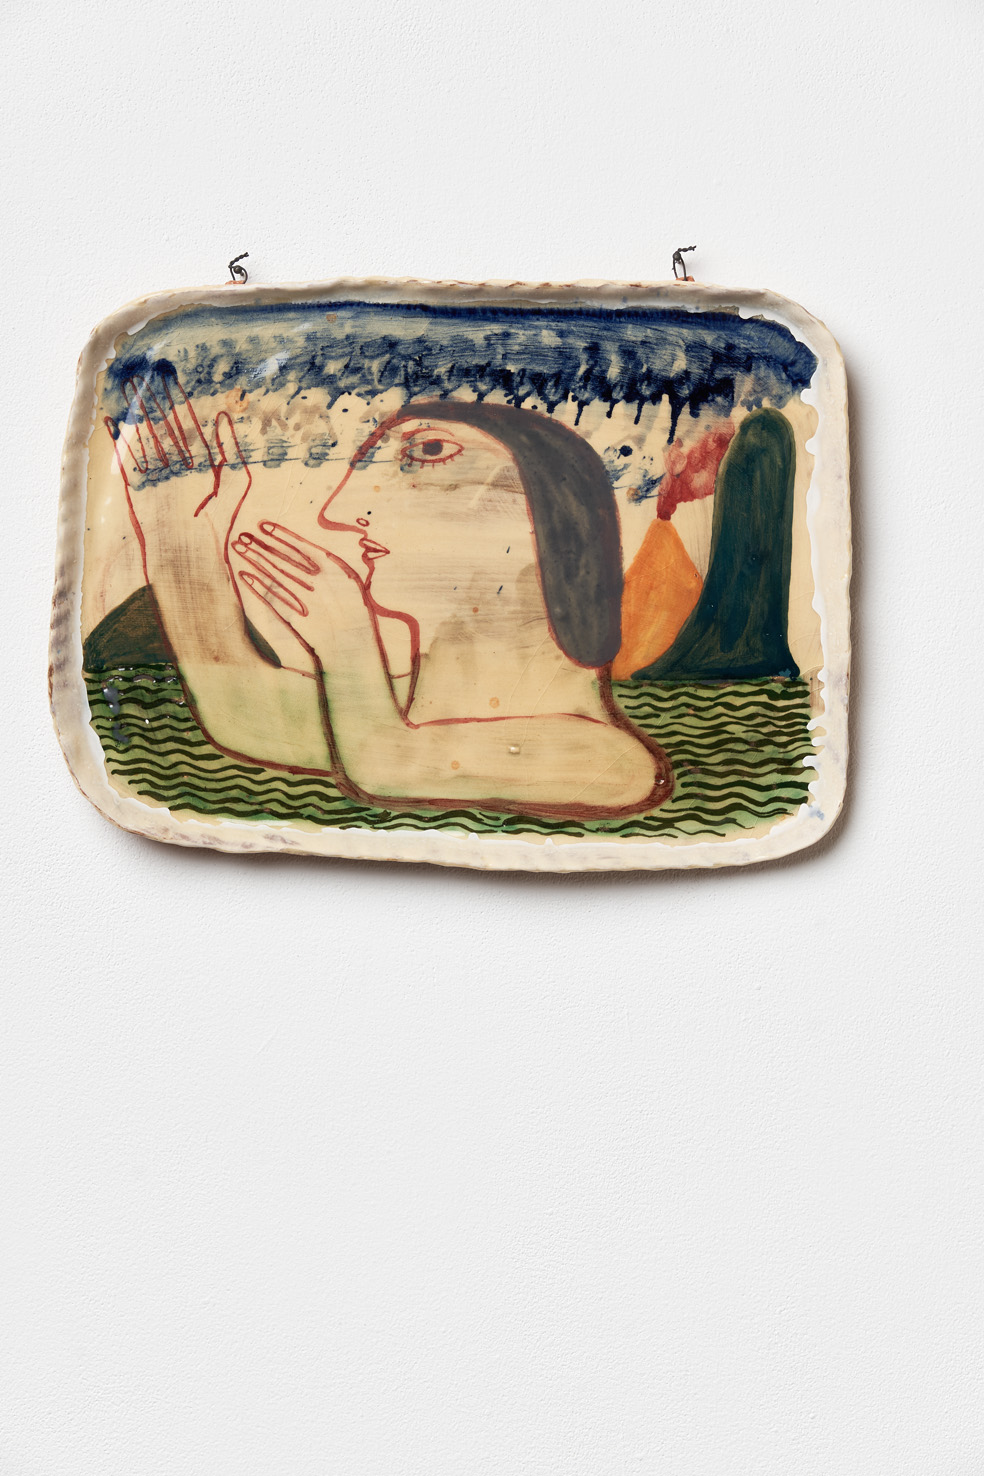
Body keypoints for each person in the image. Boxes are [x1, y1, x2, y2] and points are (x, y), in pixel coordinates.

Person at [106, 368, 672, 818]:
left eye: (426, 453)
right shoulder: (388, 707)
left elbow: (387, 762)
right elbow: (243, 712)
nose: (342, 510)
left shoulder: (612, 762)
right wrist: (179, 538)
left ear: (553, 514)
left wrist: (347, 641)